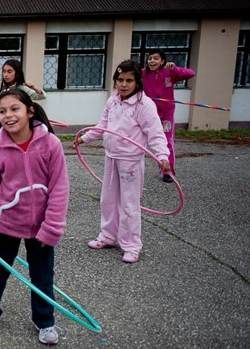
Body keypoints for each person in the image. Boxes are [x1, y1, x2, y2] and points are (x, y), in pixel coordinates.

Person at [0, 89, 69, 345]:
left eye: (15, 109)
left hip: (41, 228)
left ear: (30, 111)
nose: (8, 115)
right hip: (7, 224)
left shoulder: (50, 145)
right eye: (2, 111)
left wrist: (52, 227)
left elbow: (59, 188)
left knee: (43, 276)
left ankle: (45, 320)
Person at [74, 60, 170, 264]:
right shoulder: (113, 101)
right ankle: (109, 237)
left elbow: (155, 132)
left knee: (129, 204)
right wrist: (84, 138)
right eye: (120, 80)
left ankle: (132, 245)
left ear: (137, 82)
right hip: (111, 156)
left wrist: (163, 155)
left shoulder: (144, 105)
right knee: (107, 200)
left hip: (131, 161)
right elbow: (103, 126)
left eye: (129, 80)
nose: (124, 85)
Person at [142, 49, 196, 183]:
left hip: (167, 113)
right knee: (140, 138)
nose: (152, 61)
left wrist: (175, 69)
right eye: (150, 58)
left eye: (155, 58)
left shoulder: (169, 72)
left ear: (162, 61)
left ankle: (167, 170)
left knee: (167, 141)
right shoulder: (143, 73)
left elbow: (191, 74)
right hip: (149, 112)